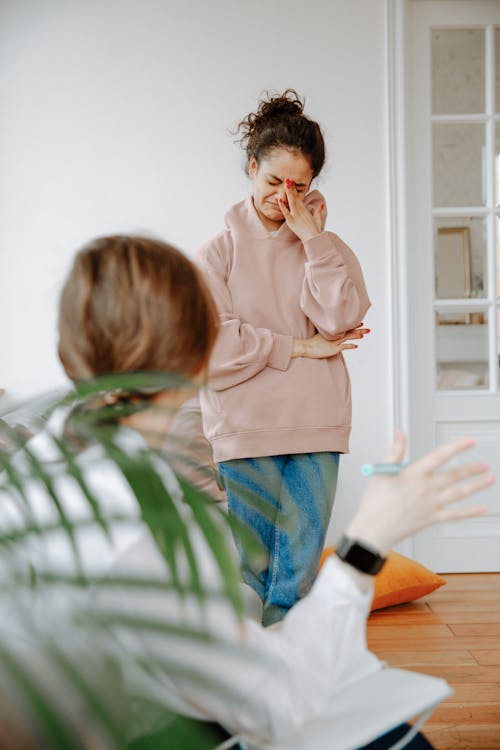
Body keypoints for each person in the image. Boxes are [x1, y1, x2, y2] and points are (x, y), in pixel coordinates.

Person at [4, 235, 491, 749]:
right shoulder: (146, 533)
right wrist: (367, 543)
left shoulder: (44, 465)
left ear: (71, 352)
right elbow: (279, 707)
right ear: (200, 357)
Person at [197, 90, 372, 626]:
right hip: (244, 427)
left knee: (297, 574)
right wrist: (299, 345)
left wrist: (313, 241)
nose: (284, 196)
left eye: (298, 186)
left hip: (316, 423)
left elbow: (342, 320)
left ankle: (288, 688)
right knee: (256, 571)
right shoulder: (216, 253)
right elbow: (212, 348)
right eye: (274, 182)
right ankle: (260, 689)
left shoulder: (328, 247)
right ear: (251, 168)